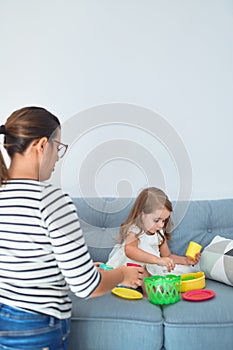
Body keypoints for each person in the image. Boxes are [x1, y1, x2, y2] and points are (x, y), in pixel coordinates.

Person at [0, 106, 143, 350]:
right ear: (41, 146)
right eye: (58, 147)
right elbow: (87, 287)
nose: (57, 157)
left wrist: (79, 270)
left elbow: (23, 269)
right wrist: (122, 274)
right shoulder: (50, 200)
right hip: (38, 327)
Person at [106, 187, 201, 278]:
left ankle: (154, 280)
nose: (161, 225)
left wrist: (186, 260)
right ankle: (150, 287)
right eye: (157, 220)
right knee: (142, 263)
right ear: (142, 214)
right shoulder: (135, 230)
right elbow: (130, 250)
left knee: (188, 270)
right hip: (132, 267)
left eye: (164, 220)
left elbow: (167, 256)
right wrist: (157, 260)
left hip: (153, 267)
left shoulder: (159, 233)